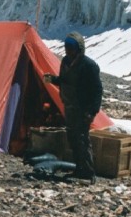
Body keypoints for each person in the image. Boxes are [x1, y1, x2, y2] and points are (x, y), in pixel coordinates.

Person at [44, 32, 103, 183]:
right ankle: (79, 169)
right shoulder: (65, 61)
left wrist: (92, 112)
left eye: (71, 47)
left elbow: (97, 91)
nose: (67, 50)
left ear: (79, 48)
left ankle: (88, 174)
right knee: (73, 139)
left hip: (83, 110)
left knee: (82, 139)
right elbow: (64, 80)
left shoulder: (89, 66)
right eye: (66, 46)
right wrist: (53, 80)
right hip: (69, 107)